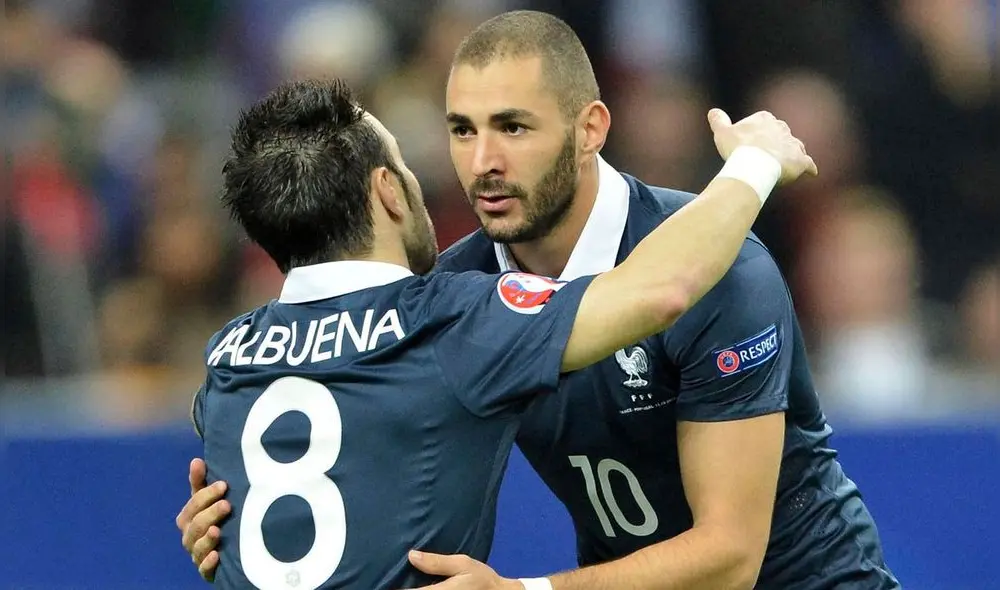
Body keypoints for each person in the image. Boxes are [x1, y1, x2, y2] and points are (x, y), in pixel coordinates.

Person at [182, 70, 816, 589]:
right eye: (407, 160)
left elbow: (279, 499)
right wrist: (755, 164)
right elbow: (664, 287)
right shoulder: (453, 319)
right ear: (389, 191)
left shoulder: (226, 365)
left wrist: (220, 532)